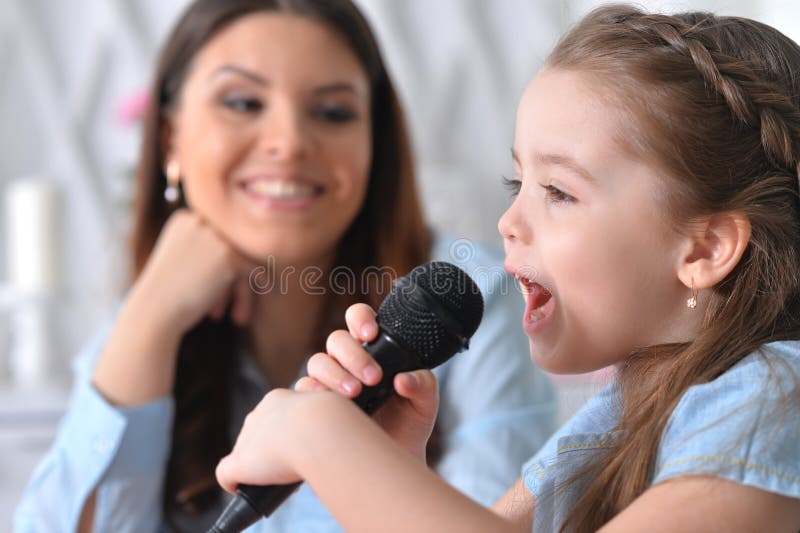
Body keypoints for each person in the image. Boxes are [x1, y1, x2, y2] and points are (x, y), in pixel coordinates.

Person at [214, 5, 800, 532]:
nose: (508, 223)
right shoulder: (619, 414)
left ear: (705, 250)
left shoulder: (774, 398)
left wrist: (323, 438)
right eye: (517, 183)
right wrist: (390, 470)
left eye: (559, 191)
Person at [12, 0, 556, 532]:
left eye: (333, 112)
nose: (290, 143)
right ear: (170, 139)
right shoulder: (147, 320)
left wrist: (343, 455)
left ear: (374, 144)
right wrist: (149, 315)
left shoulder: (471, 297)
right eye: (244, 103)